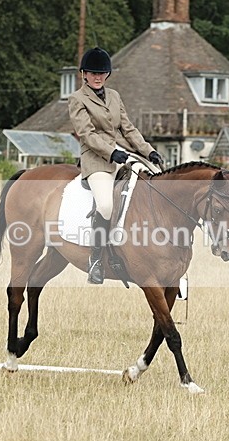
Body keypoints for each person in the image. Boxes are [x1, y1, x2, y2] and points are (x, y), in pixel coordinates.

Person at [68, 47, 164, 284]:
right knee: (106, 206)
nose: (98, 77)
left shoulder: (114, 96)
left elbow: (128, 128)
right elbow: (87, 135)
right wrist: (112, 153)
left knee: (157, 183)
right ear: (84, 74)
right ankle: (97, 260)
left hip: (124, 155)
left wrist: (148, 151)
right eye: (93, 73)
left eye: (102, 73)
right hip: (96, 161)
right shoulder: (77, 99)